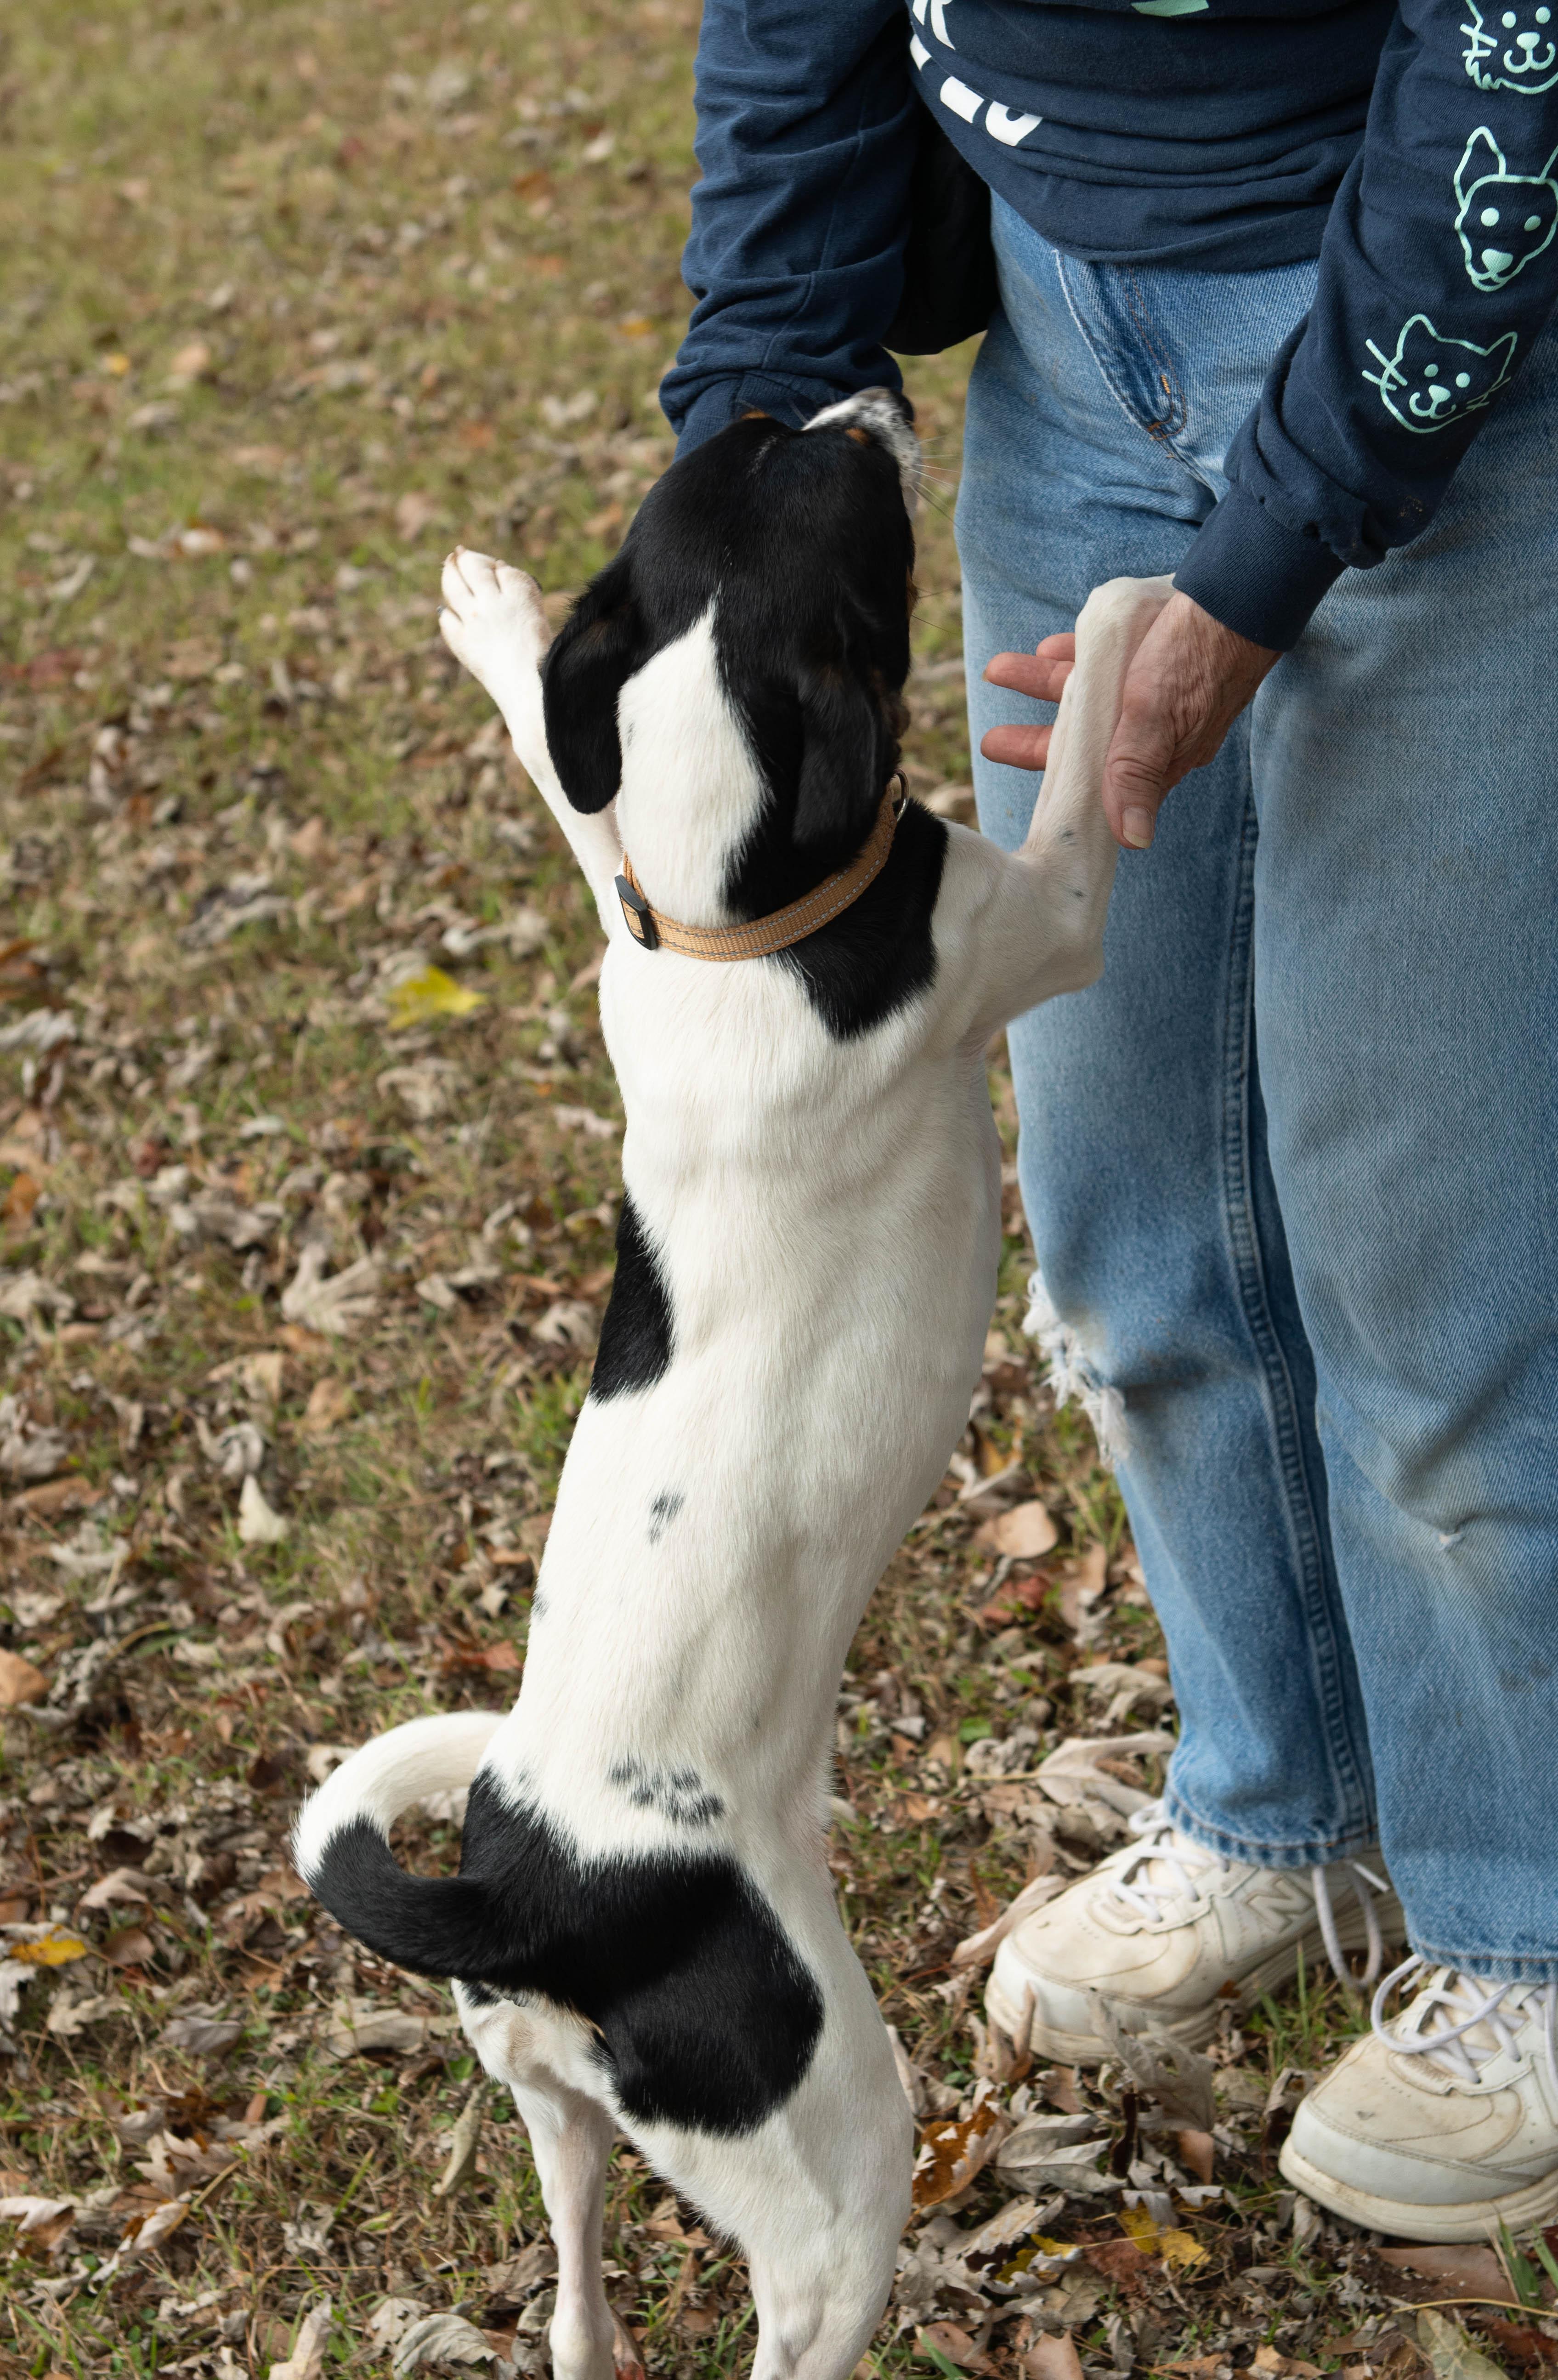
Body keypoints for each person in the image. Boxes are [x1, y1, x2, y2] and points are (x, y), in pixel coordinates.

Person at [658, 0, 1558, 2245]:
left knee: (1424, 1260)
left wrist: (1266, 559)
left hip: (1447, 353)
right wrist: (776, 404)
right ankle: (1279, 1800)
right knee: (1133, 1208)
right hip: (1070, 347)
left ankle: (1526, 1922)